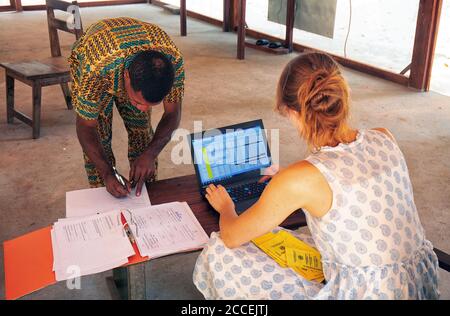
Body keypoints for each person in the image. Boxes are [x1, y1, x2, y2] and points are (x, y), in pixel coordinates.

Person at [193, 52, 440, 300]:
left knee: (220, 252)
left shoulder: (301, 179)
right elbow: (349, 176)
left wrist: (226, 207)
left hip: (364, 293)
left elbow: (232, 237)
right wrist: (289, 178)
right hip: (417, 284)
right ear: (343, 96)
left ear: (291, 112)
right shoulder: (384, 136)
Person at [70, 17, 184, 197]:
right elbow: (86, 127)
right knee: (100, 136)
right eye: (139, 102)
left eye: (150, 105)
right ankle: (105, 191)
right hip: (98, 58)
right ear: (127, 77)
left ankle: (144, 194)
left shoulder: (173, 61)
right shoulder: (95, 69)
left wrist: (150, 154)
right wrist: (107, 172)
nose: (143, 109)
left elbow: (173, 112)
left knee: (143, 134)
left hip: (125, 58)